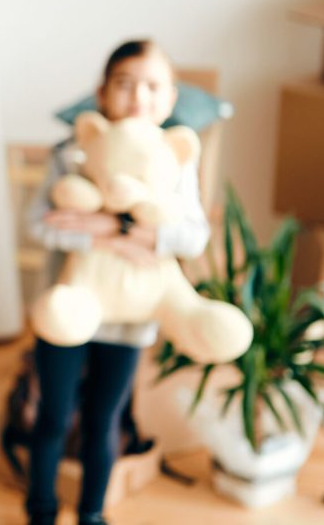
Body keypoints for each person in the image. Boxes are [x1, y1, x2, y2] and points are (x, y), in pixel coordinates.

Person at [23, 39, 210, 525]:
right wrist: (125, 237)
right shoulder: (69, 153)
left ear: (170, 98)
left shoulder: (176, 160)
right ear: (101, 94)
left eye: (152, 86)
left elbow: (191, 235)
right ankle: (40, 509)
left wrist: (111, 226)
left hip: (130, 318)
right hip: (66, 307)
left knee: (105, 419)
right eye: (125, 84)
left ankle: (91, 514)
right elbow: (42, 223)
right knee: (54, 415)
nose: (138, 97)